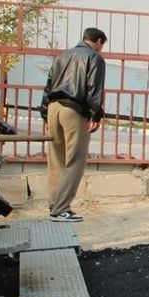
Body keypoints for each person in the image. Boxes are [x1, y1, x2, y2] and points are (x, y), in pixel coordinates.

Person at [39, 27, 106, 223]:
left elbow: (48, 85)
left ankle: (54, 203)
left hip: (54, 107)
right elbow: (94, 88)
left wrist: (44, 115)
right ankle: (61, 209)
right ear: (99, 41)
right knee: (75, 160)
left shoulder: (62, 56)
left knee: (56, 158)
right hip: (74, 110)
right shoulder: (94, 58)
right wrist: (96, 115)